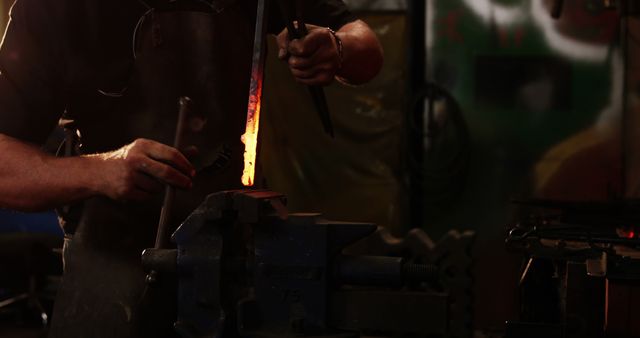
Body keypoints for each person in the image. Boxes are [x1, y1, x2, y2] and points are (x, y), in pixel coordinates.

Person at [0, 0, 383, 337]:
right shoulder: (54, 7)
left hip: (237, 243)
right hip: (111, 253)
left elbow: (366, 47)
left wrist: (337, 47)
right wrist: (102, 170)